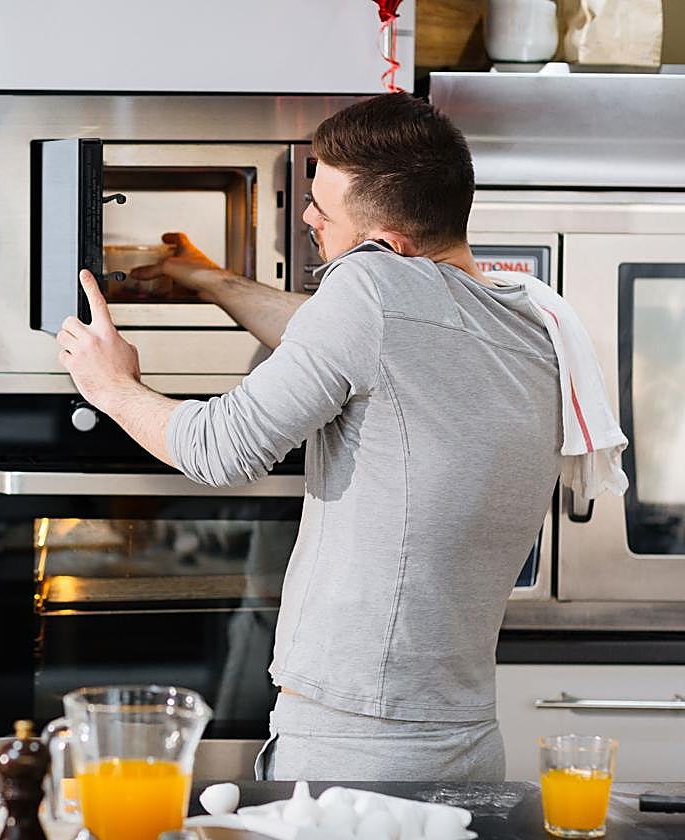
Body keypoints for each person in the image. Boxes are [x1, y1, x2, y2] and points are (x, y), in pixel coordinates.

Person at [55, 92, 563, 781]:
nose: (306, 215)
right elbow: (334, 334)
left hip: (356, 744)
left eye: (324, 208)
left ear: (389, 249)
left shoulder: (373, 293)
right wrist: (209, 279)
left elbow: (220, 447)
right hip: (464, 734)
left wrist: (111, 385)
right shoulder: (523, 319)